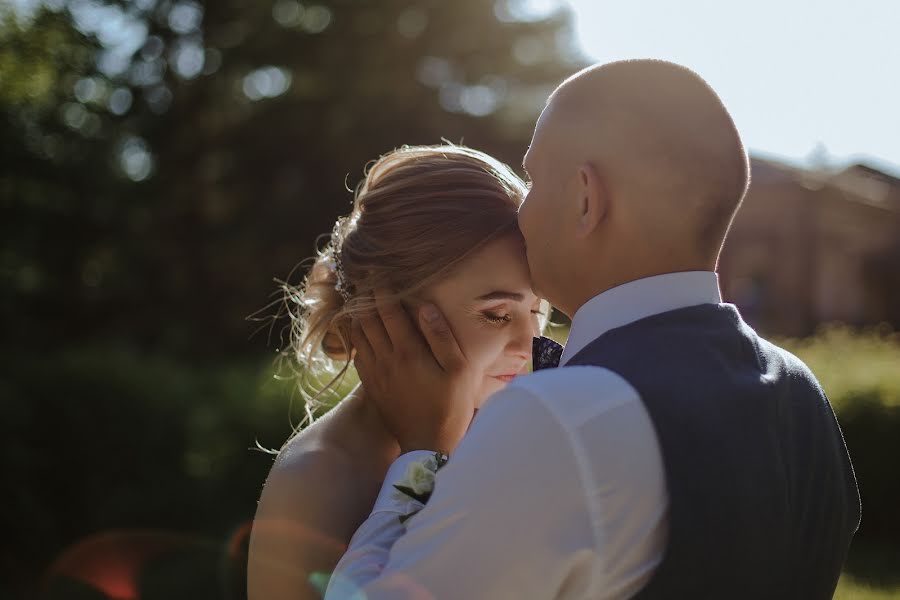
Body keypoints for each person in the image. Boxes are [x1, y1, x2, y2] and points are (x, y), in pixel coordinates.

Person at [326, 60, 861, 599]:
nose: (522, 214)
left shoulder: (558, 417)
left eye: (534, 180)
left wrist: (421, 458)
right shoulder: (804, 395)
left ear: (586, 198)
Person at [246, 144, 548, 600]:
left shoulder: (513, 435)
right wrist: (427, 458)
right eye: (497, 314)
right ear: (389, 311)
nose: (532, 345)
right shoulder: (317, 481)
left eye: (539, 311)